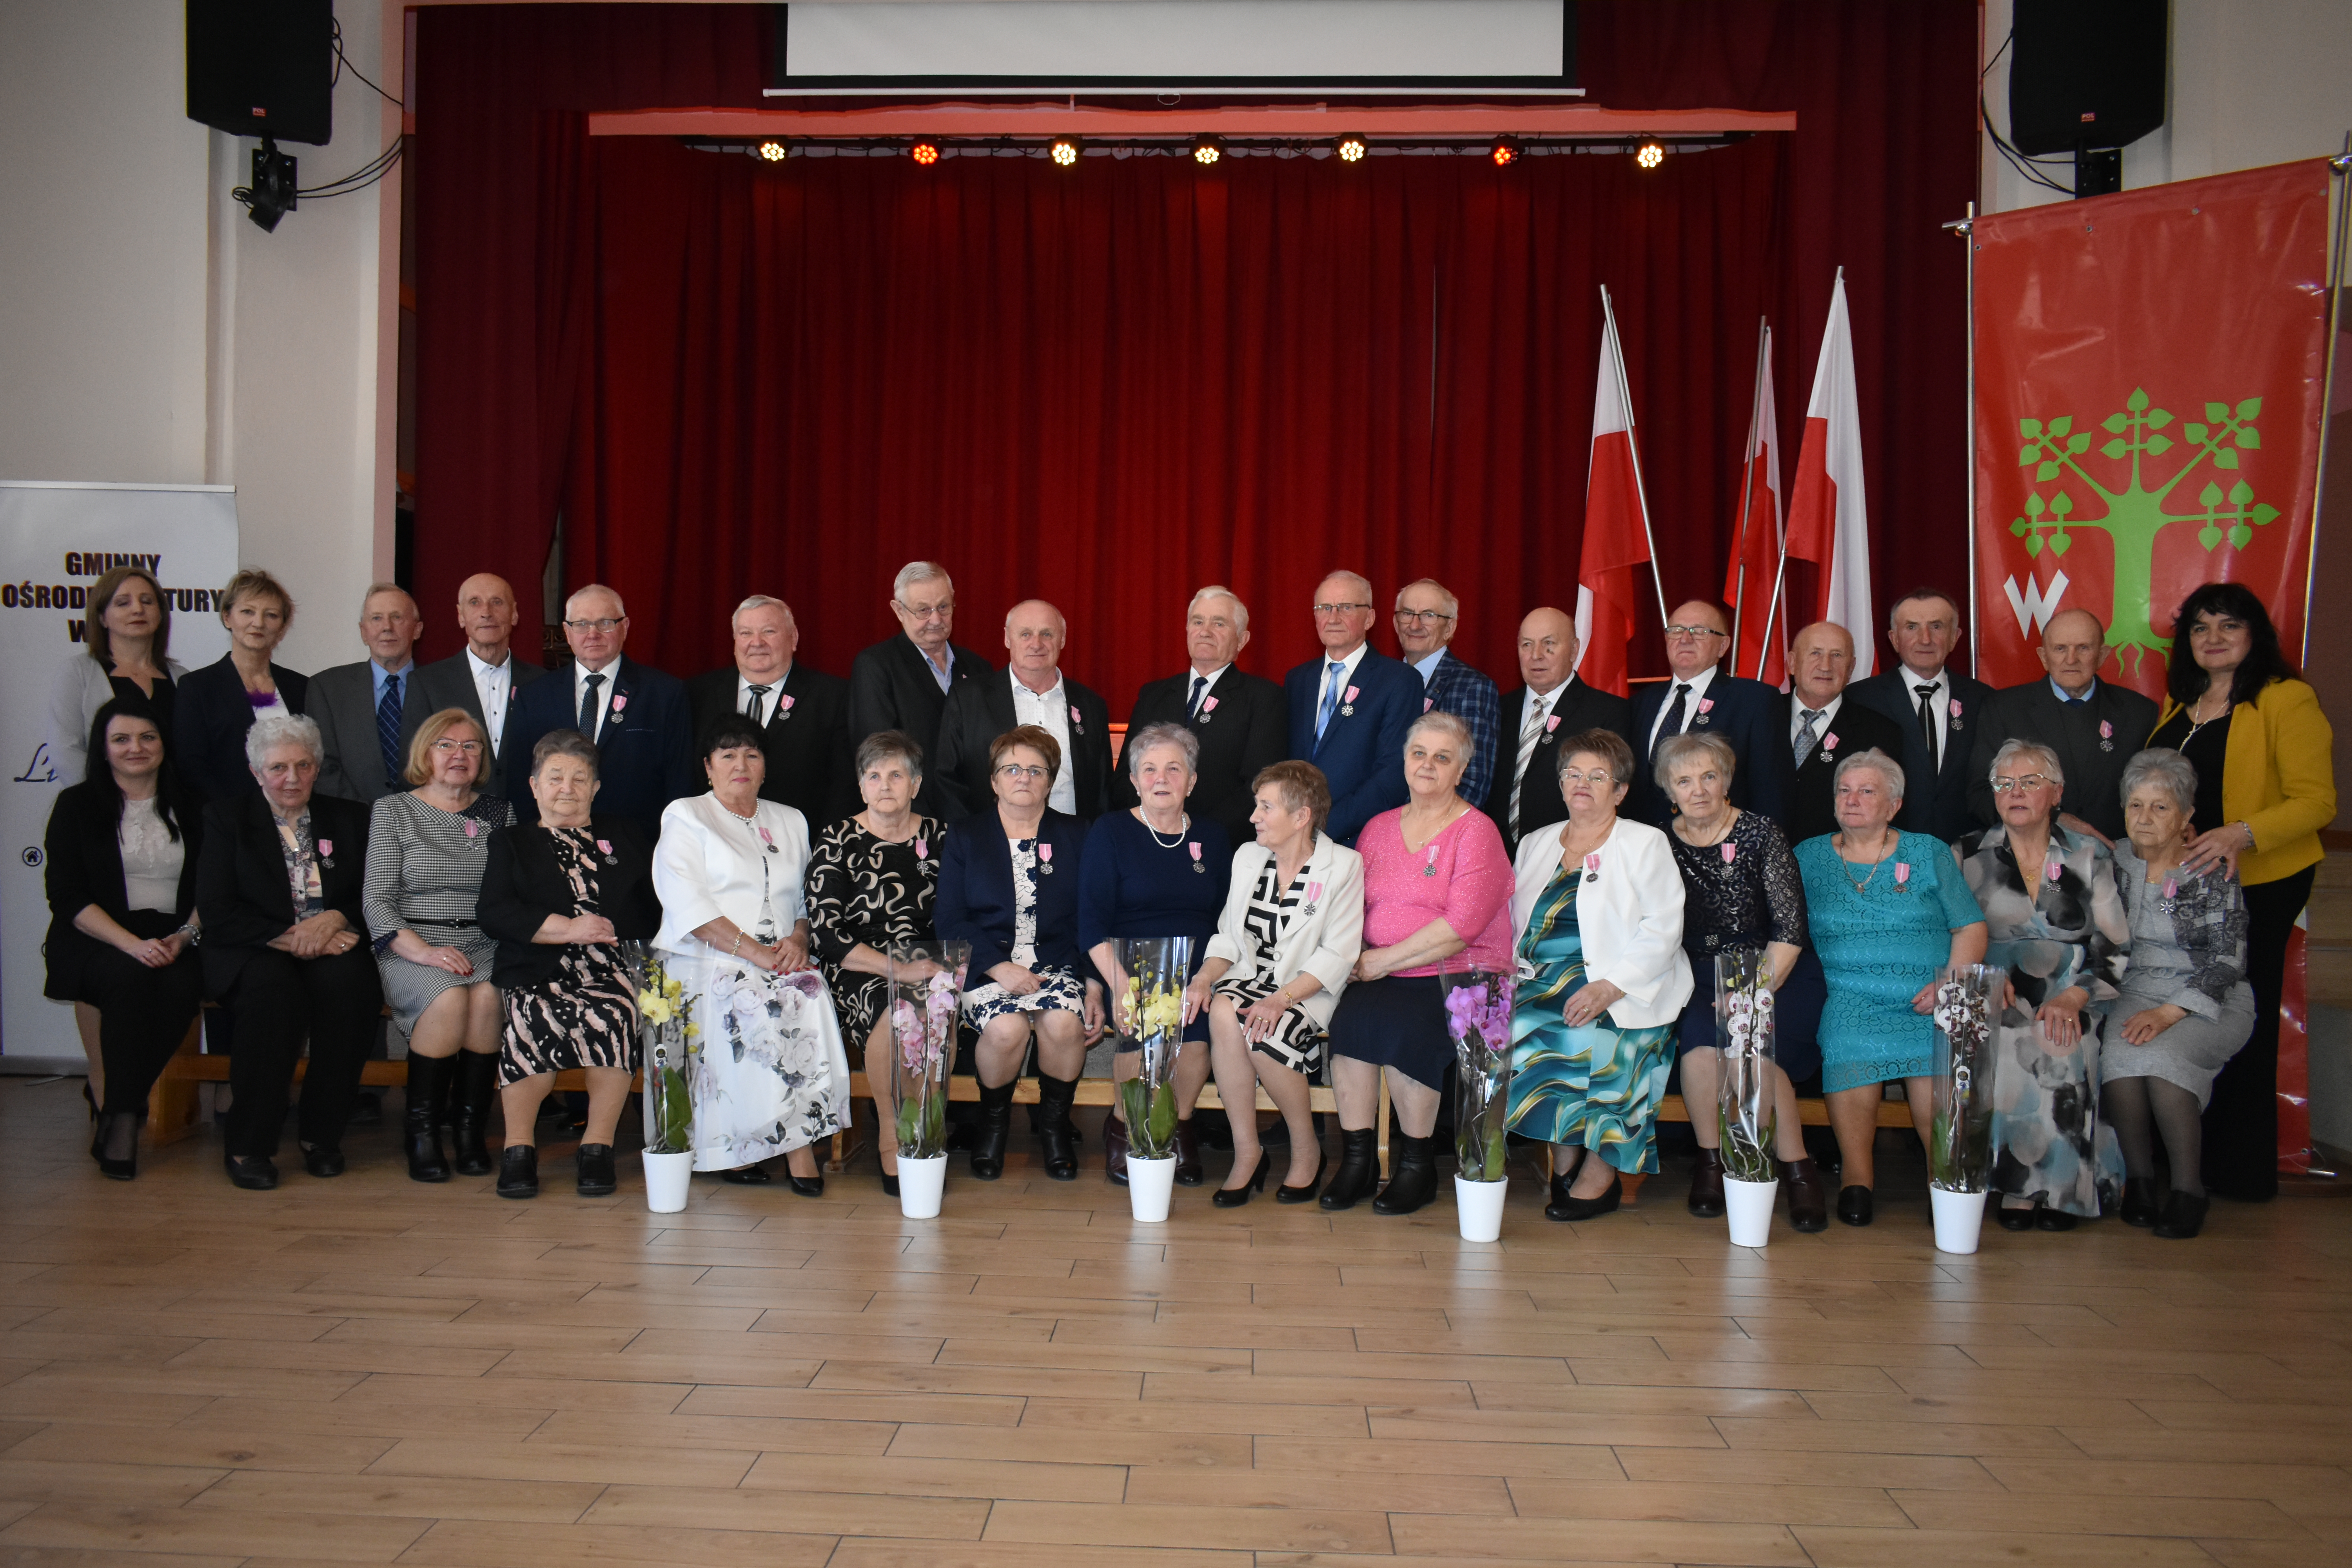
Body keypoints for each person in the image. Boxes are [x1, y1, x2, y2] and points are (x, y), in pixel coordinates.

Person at [2147, 581, 2336, 1202]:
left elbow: (2317, 801)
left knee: (2237, 1013)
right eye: (2201, 628)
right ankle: (2185, 1161)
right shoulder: (2183, 703)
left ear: (2255, 634)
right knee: (2187, 1006)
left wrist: (2241, 834)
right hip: (2189, 884)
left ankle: (2241, 1169)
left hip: (2260, 881)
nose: (2214, 638)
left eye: (2229, 626)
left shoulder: (2285, 699)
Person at [1320, 711, 1514, 1216]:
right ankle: (1358, 1162)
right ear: (1404, 762)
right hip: (1382, 969)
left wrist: (1382, 960)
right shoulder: (1378, 828)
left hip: (1461, 977)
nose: (1428, 765)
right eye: (1419, 754)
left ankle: (1417, 1166)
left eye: (1442, 757)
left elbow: (1462, 926)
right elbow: (1353, 906)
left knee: (1407, 1030)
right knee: (1350, 1027)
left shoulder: (1477, 831)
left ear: (1461, 770)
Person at [652, 715, 853, 1192]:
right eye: (727, 755)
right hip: (704, 956)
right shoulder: (686, 814)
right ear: (708, 767)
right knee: (755, 999)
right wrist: (756, 954)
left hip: (778, 955)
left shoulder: (790, 818)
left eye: (752, 755)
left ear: (765, 767)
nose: (740, 764)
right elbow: (688, 905)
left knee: (810, 992)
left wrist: (800, 940)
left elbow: (807, 900)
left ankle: (786, 1137)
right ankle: (784, 1148)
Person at [1794, 748, 1987, 1225]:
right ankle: (1857, 1181)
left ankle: (1942, 1183)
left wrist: (1947, 985)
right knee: (1846, 1044)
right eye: (1844, 790)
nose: (1852, 800)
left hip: (1928, 996)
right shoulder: (1808, 855)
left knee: (1933, 1072)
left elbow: (1970, 928)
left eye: (1866, 791)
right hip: (1850, 995)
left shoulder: (1928, 852)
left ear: (1894, 805)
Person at [1504, 730, 1692, 1221]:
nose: (1581, 783)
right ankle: (1564, 1150)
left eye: (1597, 776)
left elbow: (1663, 927)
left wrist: (1609, 987)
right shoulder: (1536, 843)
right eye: (1573, 774)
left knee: (1604, 1041)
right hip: (1539, 983)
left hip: (1623, 987)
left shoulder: (1643, 842)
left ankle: (1601, 1170)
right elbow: (1513, 924)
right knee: (1528, 1026)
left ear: (1621, 790)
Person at [196, 713, 382, 1190]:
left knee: (353, 988)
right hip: (254, 947)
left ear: (318, 768)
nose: (292, 778)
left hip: (332, 939)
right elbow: (217, 910)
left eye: (303, 765)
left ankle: (322, 1137)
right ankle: (249, 1145)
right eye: (278, 768)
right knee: (274, 999)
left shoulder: (350, 818)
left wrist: (335, 919)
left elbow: (372, 893)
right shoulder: (226, 818)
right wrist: (295, 935)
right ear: (257, 772)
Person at [476, 730, 661, 1200]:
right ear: (534, 785)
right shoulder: (512, 842)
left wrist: (611, 933)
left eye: (580, 778)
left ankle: (596, 1147)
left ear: (596, 788)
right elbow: (495, 912)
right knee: (532, 1018)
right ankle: (519, 1148)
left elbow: (652, 907)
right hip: (537, 963)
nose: (567, 788)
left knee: (619, 1014)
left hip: (613, 966)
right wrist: (568, 928)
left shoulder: (623, 834)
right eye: (555, 777)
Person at [1654, 733, 1824, 1230]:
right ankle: (1713, 1163)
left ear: (1726, 781)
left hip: (1776, 972)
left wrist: (1751, 994)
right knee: (1703, 1054)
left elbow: (1791, 928)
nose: (1699, 789)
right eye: (1685, 780)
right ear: (1670, 790)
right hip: (1698, 979)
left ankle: (1797, 1168)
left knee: (1752, 1047)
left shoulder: (1760, 833)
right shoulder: (1659, 843)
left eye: (1709, 776)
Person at [1959, 739, 2130, 1230]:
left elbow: (2115, 946)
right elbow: (1946, 932)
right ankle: (2016, 1186)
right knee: (2004, 1040)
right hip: (1993, 988)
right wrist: (1981, 979)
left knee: (2060, 1041)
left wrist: (2076, 996)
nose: (2016, 792)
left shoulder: (2088, 854)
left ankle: (2062, 1189)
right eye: (2004, 784)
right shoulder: (1967, 853)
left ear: (2056, 793)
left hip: (2073, 987)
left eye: (2029, 782)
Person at [1187, 762, 1364, 1206]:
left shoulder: (1343, 865)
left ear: (1302, 815)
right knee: (1223, 1011)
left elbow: (1338, 954)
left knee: (1263, 1034)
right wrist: (1205, 979)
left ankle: (1306, 1148)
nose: (1254, 816)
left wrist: (1280, 1000)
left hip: (1307, 988)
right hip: (1250, 976)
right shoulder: (1248, 856)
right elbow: (1228, 934)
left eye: (1266, 806)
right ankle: (1248, 1150)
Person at [934, 726, 1105, 1180]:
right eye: (1011, 769)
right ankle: (994, 1128)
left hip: (1058, 963)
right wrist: (999, 967)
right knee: (1007, 1030)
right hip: (986, 966)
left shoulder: (1078, 834)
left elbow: (1091, 916)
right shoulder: (966, 836)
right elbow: (949, 918)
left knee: (1065, 1023)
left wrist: (1094, 984)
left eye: (1036, 770)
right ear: (993, 780)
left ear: (1051, 781)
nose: (1023, 778)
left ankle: (1053, 1129)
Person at [42, 699, 204, 1179]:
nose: (136, 748)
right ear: (104, 748)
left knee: (180, 988)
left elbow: (215, 886)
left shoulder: (195, 803)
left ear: (163, 744)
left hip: (179, 934)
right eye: (122, 739)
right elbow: (66, 895)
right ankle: (122, 1116)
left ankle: (118, 1109)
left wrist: (185, 935)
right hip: (100, 933)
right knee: (129, 981)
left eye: (147, 737)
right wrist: (130, 944)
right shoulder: (77, 805)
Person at [2103, 748, 2255, 1240]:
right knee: (2120, 1063)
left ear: (2187, 816)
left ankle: (2190, 1190)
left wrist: (2172, 1012)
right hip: (2134, 988)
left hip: (2208, 996)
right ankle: (2141, 1184)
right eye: (2135, 806)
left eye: (2160, 807)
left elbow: (2229, 960)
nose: (2144, 818)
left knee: (2166, 1065)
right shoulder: (2115, 860)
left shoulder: (2210, 868)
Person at [363, 709, 515, 1183]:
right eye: (446, 745)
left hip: (483, 938)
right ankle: (423, 1131)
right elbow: (377, 899)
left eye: (471, 746)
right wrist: (426, 952)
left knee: (488, 995)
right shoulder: (395, 811)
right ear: (424, 754)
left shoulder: (499, 812)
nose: (459, 755)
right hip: (413, 940)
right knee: (449, 996)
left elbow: (510, 892)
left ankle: (469, 1130)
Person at [1082, 723, 1233, 1186]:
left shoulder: (1214, 836)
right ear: (1133, 780)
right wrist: (1118, 981)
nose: (1161, 778)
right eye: (1149, 769)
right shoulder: (1110, 832)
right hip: (1129, 964)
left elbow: (1228, 921)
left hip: (1197, 968)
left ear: (1191, 781)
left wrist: (1205, 977)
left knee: (1197, 1036)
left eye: (1174, 768)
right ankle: (1124, 1126)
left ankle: (1176, 1125)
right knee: (1136, 1030)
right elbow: (1090, 922)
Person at [805, 730, 948, 1196]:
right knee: (896, 1012)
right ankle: (894, 1133)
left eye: (896, 774)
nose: (885, 785)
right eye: (874, 776)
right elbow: (827, 933)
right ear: (861, 785)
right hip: (858, 965)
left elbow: (963, 912)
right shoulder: (837, 838)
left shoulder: (941, 837)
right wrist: (897, 969)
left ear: (916, 783)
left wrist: (938, 965)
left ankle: (924, 1128)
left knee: (929, 1004)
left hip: (931, 964)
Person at [505, 584, 696, 842]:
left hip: (639, 851)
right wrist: (537, 842)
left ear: (625, 627)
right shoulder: (534, 697)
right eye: (582, 624)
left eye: (605, 623)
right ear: (567, 632)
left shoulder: (665, 694)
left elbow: (680, 783)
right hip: (551, 847)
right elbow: (519, 779)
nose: (593, 634)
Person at [1114, 586, 1287, 853]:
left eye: (1219, 623)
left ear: (1242, 639)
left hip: (1221, 847)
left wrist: (1200, 834)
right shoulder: (1153, 695)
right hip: (1146, 842)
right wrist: (1145, 827)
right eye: (1198, 622)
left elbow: (1260, 785)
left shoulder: (1263, 698)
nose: (1205, 631)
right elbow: (1127, 774)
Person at [1968, 608, 2157, 843]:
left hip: (2116, 858)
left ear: (2103, 655)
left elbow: (2158, 793)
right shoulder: (2004, 710)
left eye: (2083, 648)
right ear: (2044, 656)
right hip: (2030, 858)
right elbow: (1979, 795)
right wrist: (2052, 818)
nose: (2071, 659)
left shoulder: (2139, 712)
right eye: (2060, 649)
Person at [933, 600, 1114, 824]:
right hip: (991, 846)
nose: (1036, 644)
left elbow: (1104, 790)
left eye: (1047, 634)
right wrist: (974, 841)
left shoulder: (1091, 705)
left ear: (1063, 640)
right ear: (1008, 639)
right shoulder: (968, 698)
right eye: (1026, 634)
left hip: (1075, 845)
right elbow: (947, 779)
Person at [687, 595, 857, 827]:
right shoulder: (696, 694)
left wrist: (827, 851)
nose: (756, 643)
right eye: (746, 633)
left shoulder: (833, 697)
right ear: (735, 640)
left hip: (802, 844)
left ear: (793, 638)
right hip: (714, 840)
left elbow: (844, 785)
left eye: (769, 632)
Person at [1483, 607, 1634, 858]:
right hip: (1496, 857)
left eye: (1549, 644)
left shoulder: (1608, 712)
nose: (1536, 656)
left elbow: (1616, 795)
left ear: (1574, 650)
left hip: (1570, 860)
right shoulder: (1497, 709)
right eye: (1527, 645)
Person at [1845, 588, 1994, 842]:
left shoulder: (1984, 700)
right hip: (1886, 852)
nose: (1925, 639)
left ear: (1955, 638)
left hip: (1965, 856)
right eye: (1912, 627)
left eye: (1937, 627)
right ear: (1894, 639)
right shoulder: (1859, 700)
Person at [1627, 600, 1791, 829]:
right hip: (1645, 847)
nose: (1685, 639)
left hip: (1722, 847)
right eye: (1676, 631)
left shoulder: (1755, 700)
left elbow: (1772, 789)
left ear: (1723, 646)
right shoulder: (1640, 703)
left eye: (1700, 631)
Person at [1284, 570, 1420, 846]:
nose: (1333, 618)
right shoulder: (1298, 679)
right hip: (1291, 838)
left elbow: (1392, 775)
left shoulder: (1399, 681)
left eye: (1346, 607)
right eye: (1324, 608)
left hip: (1357, 842)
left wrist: (1320, 828)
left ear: (1369, 618)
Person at [848, 561, 991, 818]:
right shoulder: (877, 665)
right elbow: (879, 755)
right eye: (923, 610)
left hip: (976, 818)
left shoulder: (979, 668)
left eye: (944, 607)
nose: (936, 619)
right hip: (912, 820)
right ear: (899, 611)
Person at [409, 572, 547, 801]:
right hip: (453, 818)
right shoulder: (427, 683)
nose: (487, 613)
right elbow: (416, 762)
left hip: (525, 821)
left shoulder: (541, 683)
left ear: (514, 614)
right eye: (475, 603)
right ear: (461, 616)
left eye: (497, 602)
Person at [176, 568, 309, 804]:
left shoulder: (301, 686)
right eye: (247, 612)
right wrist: (235, 816)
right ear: (227, 617)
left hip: (292, 818)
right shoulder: (197, 687)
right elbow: (191, 767)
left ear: (282, 626)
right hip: (227, 822)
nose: (258, 623)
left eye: (271, 615)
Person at [51, 564, 189, 784]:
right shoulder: (78, 673)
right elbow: (66, 752)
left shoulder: (183, 679)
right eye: (123, 603)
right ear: (103, 618)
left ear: (161, 614)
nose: (137, 610)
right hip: (101, 809)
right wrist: (111, 802)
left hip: (176, 810)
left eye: (147, 601)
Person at [1782, 621, 1908, 846]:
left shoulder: (1881, 732)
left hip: (1840, 866)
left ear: (1851, 669)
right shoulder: (1759, 716)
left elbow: (1887, 809)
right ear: (1792, 663)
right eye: (1815, 653)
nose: (1826, 666)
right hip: (1760, 865)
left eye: (1837, 656)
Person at [309, 583, 430, 804]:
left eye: (397, 617)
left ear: (418, 629)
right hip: (352, 824)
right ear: (364, 632)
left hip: (426, 827)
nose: (387, 628)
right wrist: (369, 817)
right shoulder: (327, 688)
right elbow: (322, 765)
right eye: (376, 619)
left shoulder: (438, 686)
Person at [1393, 578, 1502, 809]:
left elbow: (1472, 783)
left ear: (1450, 628)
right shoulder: (1381, 682)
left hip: (1436, 835)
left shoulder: (1473, 687)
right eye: (1407, 613)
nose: (1414, 625)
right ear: (1395, 622)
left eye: (1429, 616)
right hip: (1374, 828)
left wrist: (1415, 831)